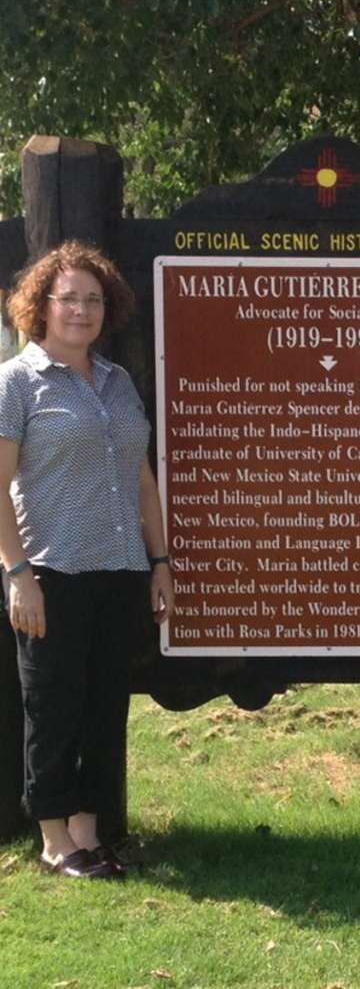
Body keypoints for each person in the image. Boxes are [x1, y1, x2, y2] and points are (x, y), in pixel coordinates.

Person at [0, 240, 174, 879]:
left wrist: (160, 561)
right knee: (53, 701)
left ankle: (88, 834)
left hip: (121, 568)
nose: (81, 309)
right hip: (51, 572)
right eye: (68, 297)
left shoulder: (118, 381)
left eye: (93, 299)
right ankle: (52, 840)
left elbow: (142, 480)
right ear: (40, 305)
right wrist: (18, 575)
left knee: (105, 703)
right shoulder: (16, 382)